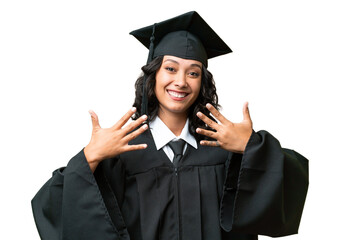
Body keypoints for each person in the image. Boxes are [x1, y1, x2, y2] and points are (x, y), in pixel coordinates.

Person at [32, 11, 309, 240]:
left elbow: (289, 186)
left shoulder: (223, 146)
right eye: (171, 68)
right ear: (153, 74)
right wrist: (89, 157)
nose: (181, 81)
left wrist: (251, 147)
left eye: (193, 73)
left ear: (202, 82)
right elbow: (53, 205)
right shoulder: (124, 149)